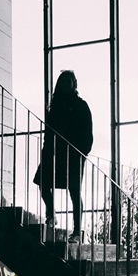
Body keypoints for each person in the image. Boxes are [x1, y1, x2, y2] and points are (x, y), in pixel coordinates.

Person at [33, 70, 93, 243]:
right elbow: (49, 133)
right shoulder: (56, 107)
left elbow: (88, 132)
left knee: (74, 191)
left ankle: (76, 232)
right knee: (43, 183)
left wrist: (82, 152)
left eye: (69, 81)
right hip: (55, 153)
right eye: (63, 81)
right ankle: (51, 214)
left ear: (74, 84)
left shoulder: (81, 105)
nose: (66, 84)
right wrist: (46, 152)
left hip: (74, 155)